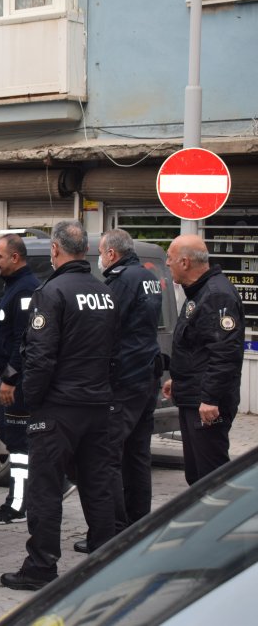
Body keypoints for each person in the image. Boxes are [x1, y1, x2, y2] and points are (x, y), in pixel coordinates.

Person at [1, 220, 119, 591]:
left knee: (45, 488)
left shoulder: (51, 292)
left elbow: (40, 356)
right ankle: (107, 559)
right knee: (98, 485)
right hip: (97, 404)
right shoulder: (104, 292)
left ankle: (40, 567)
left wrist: (32, 402)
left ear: (55, 249)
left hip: (58, 407)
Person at [74, 229, 162, 554]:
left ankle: (111, 533)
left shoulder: (122, 281)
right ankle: (140, 526)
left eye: (100, 252)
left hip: (125, 378)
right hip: (146, 375)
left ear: (111, 254)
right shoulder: (147, 276)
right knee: (137, 454)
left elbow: (107, 327)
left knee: (107, 455)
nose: (99, 258)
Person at [162, 234, 244, 486]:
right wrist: (179, 380)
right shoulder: (198, 292)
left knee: (212, 480)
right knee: (197, 478)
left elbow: (225, 353)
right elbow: (197, 347)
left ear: (185, 262)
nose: (167, 263)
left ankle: (224, 514)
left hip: (206, 405)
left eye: (170, 258)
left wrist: (210, 398)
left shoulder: (216, 295)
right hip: (193, 396)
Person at [0, 234, 41, 525]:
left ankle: (17, 506)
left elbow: (24, 339)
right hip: (13, 378)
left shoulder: (26, 289)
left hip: (18, 381)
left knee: (19, 445)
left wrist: (10, 378)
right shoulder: (14, 286)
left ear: (15, 257)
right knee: (10, 435)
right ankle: (54, 484)